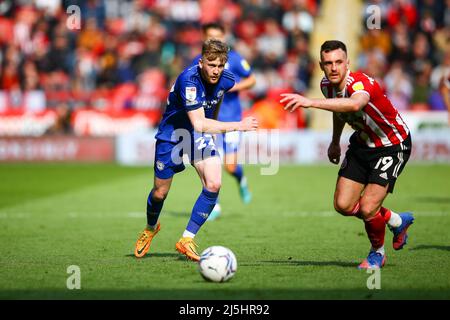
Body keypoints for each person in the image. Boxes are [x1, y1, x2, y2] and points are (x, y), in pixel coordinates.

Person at [280, 40, 414, 269]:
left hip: (391, 145)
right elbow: (337, 109)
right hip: (362, 144)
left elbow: (353, 105)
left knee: (368, 207)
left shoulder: (361, 84)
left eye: (338, 62)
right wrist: (334, 141)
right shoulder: (326, 85)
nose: (333, 68)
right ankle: (396, 220)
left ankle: (377, 253)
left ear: (348, 63)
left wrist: (310, 103)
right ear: (321, 65)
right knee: (343, 205)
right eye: (328, 63)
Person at [134, 39, 258, 261]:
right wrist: (238, 126)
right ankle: (150, 228)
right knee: (160, 192)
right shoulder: (189, 80)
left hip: (197, 135)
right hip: (172, 135)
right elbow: (199, 123)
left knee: (214, 183)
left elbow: (215, 103)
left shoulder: (227, 79)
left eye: (220, 66)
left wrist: (214, 122)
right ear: (201, 62)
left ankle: (186, 239)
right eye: (211, 65)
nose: (216, 71)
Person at [191, 23, 256, 220]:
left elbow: (252, 79)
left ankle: (241, 179)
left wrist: (231, 87)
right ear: (204, 38)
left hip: (232, 118)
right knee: (210, 164)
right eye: (211, 37)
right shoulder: (199, 62)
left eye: (219, 37)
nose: (216, 41)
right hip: (209, 120)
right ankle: (215, 206)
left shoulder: (234, 59)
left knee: (230, 166)